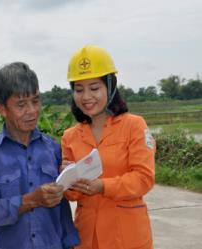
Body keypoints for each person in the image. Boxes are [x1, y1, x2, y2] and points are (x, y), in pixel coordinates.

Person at [0, 62, 80, 249]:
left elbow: (61, 209)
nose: (32, 111)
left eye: (36, 101)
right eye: (21, 104)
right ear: (1, 109)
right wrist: (31, 200)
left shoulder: (52, 148)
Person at [61, 45, 156, 249]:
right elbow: (72, 196)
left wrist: (103, 186)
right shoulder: (70, 137)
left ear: (110, 86)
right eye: (79, 89)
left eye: (94, 88)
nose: (86, 96)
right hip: (87, 237)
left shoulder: (134, 126)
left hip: (128, 236)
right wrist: (67, 178)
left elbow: (143, 178)